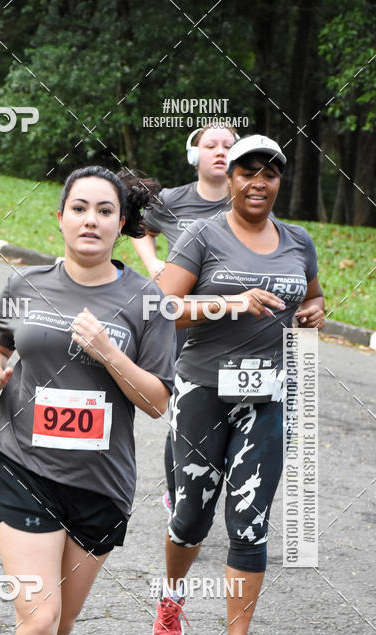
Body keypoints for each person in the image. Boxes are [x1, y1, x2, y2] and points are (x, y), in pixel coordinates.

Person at [0, 166, 175, 635]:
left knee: (54, 627)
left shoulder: (146, 301)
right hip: (24, 468)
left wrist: (108, 354)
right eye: (79, 208)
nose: (90, 219)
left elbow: (156, 402)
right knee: (36, 620)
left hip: (99, 489)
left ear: (123, 225)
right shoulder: (25, 282)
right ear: (60, 217)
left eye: (104, 211)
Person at [152, 135, 325, 635]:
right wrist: (232, 302)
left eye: (269, 173)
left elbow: (314, 296)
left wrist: (315, 310)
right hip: (202, 392)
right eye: (247, 171)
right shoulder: (204, 235)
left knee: (250, 524)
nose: (257, 182)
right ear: (231, 179)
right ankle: (173, 596)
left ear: (279, 181)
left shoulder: (298, 241)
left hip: (267, 398)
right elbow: (164, 307)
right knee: (191, 518)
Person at [131, 125, 238, 521]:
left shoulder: (246, 200)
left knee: (226, 408)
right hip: (180, 323)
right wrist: (154, 264)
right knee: (185, 409)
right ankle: (179, 495)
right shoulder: (173, 200)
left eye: (228, 145)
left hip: (231, 321)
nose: (220, 152)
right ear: (194, 157)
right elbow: (140, 227)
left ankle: (219, 489)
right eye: (210, 145)